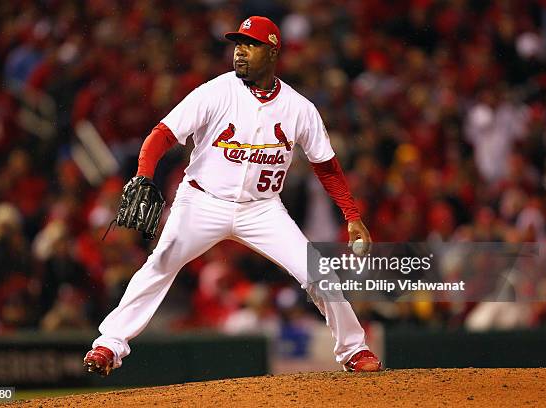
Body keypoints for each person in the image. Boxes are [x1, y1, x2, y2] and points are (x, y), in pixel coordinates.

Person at [84, 16, 381, 376]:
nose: (240, 51)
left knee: (318, 273)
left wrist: (352, 215)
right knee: (160, 264)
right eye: (237, 43)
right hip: (201, 202)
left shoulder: (299, 108)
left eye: (250, 44)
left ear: (272, 51)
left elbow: (327, 166)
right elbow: (161, 134)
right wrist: (144, 174)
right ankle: (108, 345)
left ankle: (354, 350)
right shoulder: (216, 91)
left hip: (262, 210)